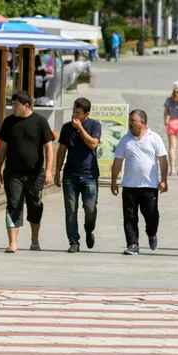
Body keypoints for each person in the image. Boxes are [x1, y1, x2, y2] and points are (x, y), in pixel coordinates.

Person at [0, 91, 54, 253]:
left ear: (26, 105)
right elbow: (2, 148)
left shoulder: (40, 122)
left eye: (15, 105)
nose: (12, 107)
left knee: (35, 206)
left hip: (35, 174)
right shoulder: (8, 122)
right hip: (13, 173)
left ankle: (34, 240)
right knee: (13, 204)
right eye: (12, 104)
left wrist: (48, 171)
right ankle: (12, 243)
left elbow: (49, 148)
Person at [111, 110, 168, 255]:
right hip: (129, 186)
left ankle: (151, 233)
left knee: (151, 215)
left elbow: (163, 160)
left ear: (142, 122)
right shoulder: (125, 139)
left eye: (133, 120)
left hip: (149, 186)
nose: (130, 123)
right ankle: (133, 244)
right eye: (130, 120)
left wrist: (164, 180)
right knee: (129, 217)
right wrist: (113, 181)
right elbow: (118, 161)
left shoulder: (154, 138)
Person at [55, 97, 101, 253]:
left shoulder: (94, 125)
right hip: (70, 174)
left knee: (90, 208)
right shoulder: (67, 128)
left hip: (89, 174)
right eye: (73, 111)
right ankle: (73, 241)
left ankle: (89, 229)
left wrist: (80, 128)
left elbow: (93, 144)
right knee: (71, 209)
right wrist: (57, 171)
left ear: (86, 114)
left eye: (78, 113)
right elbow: (61, 150)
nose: (74, 115)